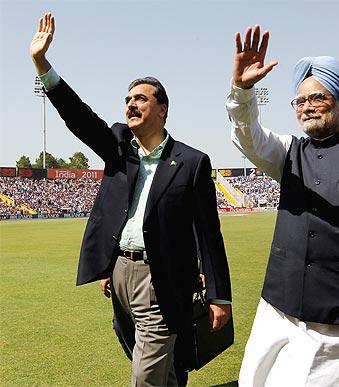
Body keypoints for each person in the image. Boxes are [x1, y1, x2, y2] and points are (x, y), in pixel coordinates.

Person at [30, 13, 232, 386]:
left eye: (141, 98)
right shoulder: (118, 147)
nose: (131, 105)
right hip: (120, 274)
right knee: (152, 361)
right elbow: (79, 117)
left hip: (165, 277)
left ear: (162, 109)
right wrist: (43, 65)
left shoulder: (192, 162)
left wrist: (220, 295)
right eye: (127, 99)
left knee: (145, 375)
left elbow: (208, 232)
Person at [226, 25, 339, 386]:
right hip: (278, 312)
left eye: (317, 98)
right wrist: (243, 90)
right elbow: (248, 136)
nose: (306, 107)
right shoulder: (287, 152)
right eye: (300, 101)